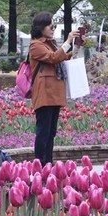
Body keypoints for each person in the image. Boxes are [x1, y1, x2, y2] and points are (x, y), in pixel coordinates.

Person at [28, 12, 81, 164]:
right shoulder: (35, 45)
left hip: (54, 94)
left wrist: (76, 47)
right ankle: (40, 164)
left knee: (51, 133)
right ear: (41, 27)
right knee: (43, 132)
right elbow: (53, 58)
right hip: (44, 94)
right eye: (51, 26)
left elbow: (62, 56)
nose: (53, 29)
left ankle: (48, 163)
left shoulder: (49, 44)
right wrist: (68, 40)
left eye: (54, 26)